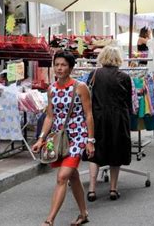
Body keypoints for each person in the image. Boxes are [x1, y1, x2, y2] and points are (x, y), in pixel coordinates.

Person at [32, 50, 95, 226]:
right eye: (57, 64)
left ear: (71, 68)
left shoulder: (80, 87)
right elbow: (50, 117)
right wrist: (41, 138)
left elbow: (89, 115)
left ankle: (49, 219)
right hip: (59, 138)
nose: (59, 68)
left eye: (63, 65)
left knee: (62, 177)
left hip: (78, 136)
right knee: (72, 175)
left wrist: (90, 141)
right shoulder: (51, 89)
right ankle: (83, 214)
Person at [86, 46, 132, 202]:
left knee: (95, 153)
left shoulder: (94, 74)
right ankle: (113, 189)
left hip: (97, 117)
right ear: (118, 59)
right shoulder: (124, 77)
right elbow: (128, 102)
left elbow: (88, 97)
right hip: (118, 118)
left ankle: (92, 189)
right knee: (116, 152)